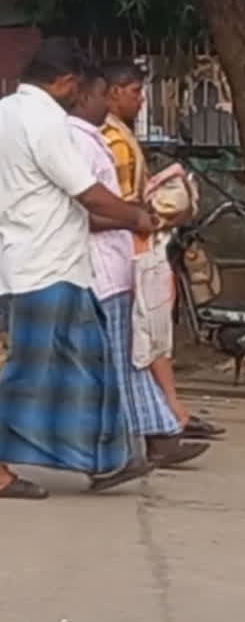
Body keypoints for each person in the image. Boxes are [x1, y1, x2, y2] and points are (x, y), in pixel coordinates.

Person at [0, 37, 159, 499]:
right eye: (83, 89)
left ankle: (103, 459)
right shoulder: (46, 121)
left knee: (90, 366)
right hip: (42, 266)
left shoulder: (7, 110)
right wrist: (137, 216)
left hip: (45, 262)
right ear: (66, 82)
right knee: (28, 373)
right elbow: (86, 192)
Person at [69, 64, 210, 469]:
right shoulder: (97, 140)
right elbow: (91, 208)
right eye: (132, 91)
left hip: (121, 257)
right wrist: (138, 217)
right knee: (120, 355)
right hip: (104, 258)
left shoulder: (106, 136)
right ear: (100, 94)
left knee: (132, 350)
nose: (140, 99)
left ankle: (161, 429)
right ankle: (147, 436)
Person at [100, 59, 225, 440]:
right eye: (135, 92)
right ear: (114, 92)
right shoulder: (115, 140)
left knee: (151, 335)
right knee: (147, 336)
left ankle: (171, 413)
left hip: (136, 249)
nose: (140, 100)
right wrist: (153, 213)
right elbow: (119, 202)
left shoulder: (118, 134)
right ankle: (168, 417)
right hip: (130, 251)